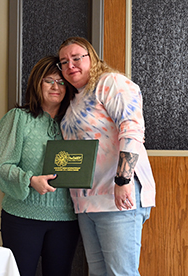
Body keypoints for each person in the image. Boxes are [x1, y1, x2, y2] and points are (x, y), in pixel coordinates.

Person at [57, 36, 156, 276]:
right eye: (64, 62)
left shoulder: (110, 83)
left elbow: (132, 129)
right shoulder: (73, 100)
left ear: (92, 58)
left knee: (121, 273)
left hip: (117, 198)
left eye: (77, 58)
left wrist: (123, 181)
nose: (70, 65)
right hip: (87, 203)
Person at [0, 55, 80, 276]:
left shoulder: (76, 123)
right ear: (37, 83)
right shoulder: (18, 118)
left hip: (67, 219)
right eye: (49, 80)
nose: (56, 87)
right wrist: (30, 180)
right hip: (22, 218)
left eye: (61, 82)